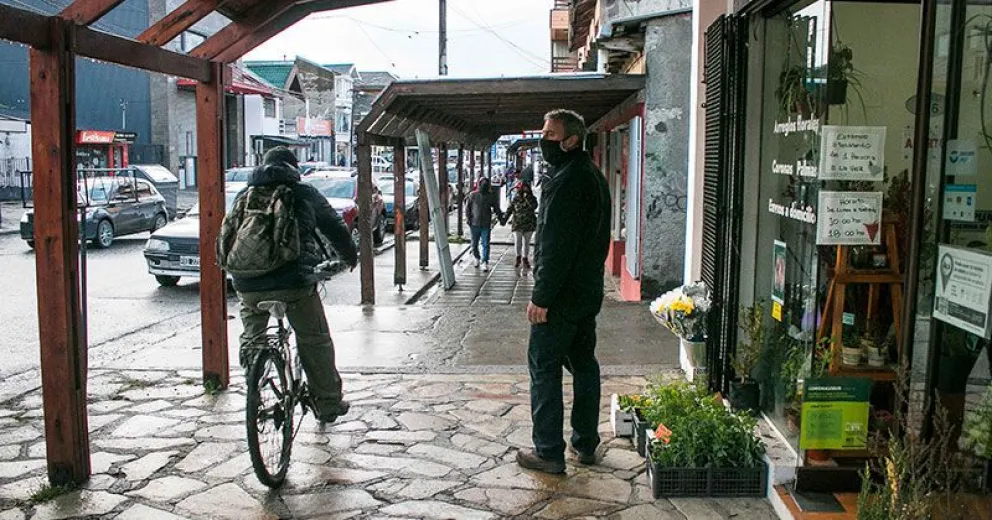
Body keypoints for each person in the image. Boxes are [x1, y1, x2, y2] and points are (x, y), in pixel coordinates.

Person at [229, 147, 359, 423]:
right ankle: (327, 403)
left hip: (247, 283)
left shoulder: (245, 194)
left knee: (253, 336)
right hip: (293, 282)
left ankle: (254, 382)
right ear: (294, 168)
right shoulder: (303, 193)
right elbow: (334, 226)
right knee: (315, 340)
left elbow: (229, 234)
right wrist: (349, 256)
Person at [517, 109, 611, 474]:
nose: (543, 140)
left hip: (560, 299)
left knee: (544, 368)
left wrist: (541, 297)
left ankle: (548, 451)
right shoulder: (592, 176)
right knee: (584, 365)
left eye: (550, 135)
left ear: (571, 140)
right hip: (586, 293)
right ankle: (585, 443)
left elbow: (555, 246)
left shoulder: (566, 181)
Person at [465, 177, 503, 272]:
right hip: (474, 223)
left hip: (485, 223)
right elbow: (468, 208)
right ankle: (476, 257)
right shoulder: (473, 195)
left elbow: (496, 208)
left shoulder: (491, 196)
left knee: (485, 243)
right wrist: (468, 219)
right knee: (474, 243)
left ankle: (484, 261)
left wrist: (501, 218)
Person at [503, 181, 538, 269]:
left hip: (529, 224)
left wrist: (527, 199)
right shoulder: (516, 199)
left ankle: (525, 258)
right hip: (517, 224)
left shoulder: (532, 198)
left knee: (526, 243)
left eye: (526, 188)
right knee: (518, 241)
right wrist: (504, 219)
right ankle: (518, 256)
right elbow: (509, 209)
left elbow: (534, 207)